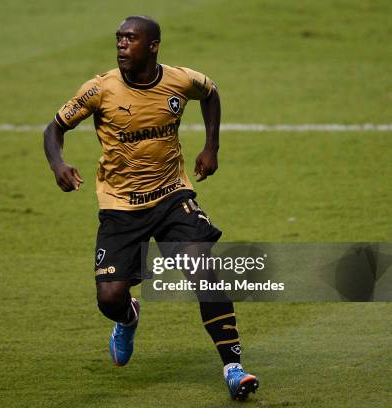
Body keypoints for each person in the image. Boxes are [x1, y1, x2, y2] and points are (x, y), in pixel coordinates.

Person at [43, 15, 259, 401]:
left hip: (172, 195)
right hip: (120, 204)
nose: (122, 45)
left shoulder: (179, 80)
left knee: (203, 269)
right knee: (110, 298)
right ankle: (129, 317)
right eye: (119, 38)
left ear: (153, 45)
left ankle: (233, 366)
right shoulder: (99, 89)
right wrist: (59, 165)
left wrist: (212, 147)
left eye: (130, 38)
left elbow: (210, 93)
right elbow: (54, 128)